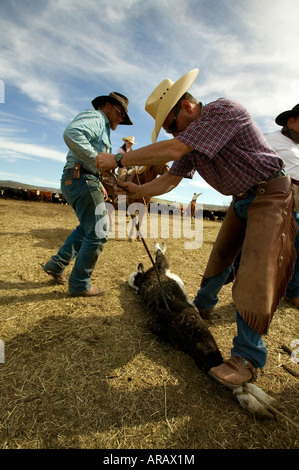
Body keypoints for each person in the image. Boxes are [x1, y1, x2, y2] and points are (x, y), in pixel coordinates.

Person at [94, 69, 296, 389]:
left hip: (271, 194)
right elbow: (170, 179)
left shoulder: (222, 111)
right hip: (242, 199)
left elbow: (173, 151)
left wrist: (119, 158)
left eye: (172, 125)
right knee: (219, 259)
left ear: (187, 108)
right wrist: (139, 192)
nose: (173, 133)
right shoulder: (192, 143)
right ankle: (202, 308)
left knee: (256, 271)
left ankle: (247, 357)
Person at [42, 92, 132, 297]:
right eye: (120, 113)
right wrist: (96, 161)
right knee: (99, 232)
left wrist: (102, 180)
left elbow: (95, 162)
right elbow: (72, 133)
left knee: (87, 228)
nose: (120, 119)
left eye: (123, 118)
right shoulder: (97, 118)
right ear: (107, 105)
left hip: (79, 178)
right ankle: (80, 284)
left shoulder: (104, 128)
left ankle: (57, 265)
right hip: (82, 178)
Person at [264, 104, 299, 308]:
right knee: (274, 251)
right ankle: (263, 294)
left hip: (298, 203)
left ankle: (293, 291)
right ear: (291, 120)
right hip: (281, 200)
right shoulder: (270, 138)